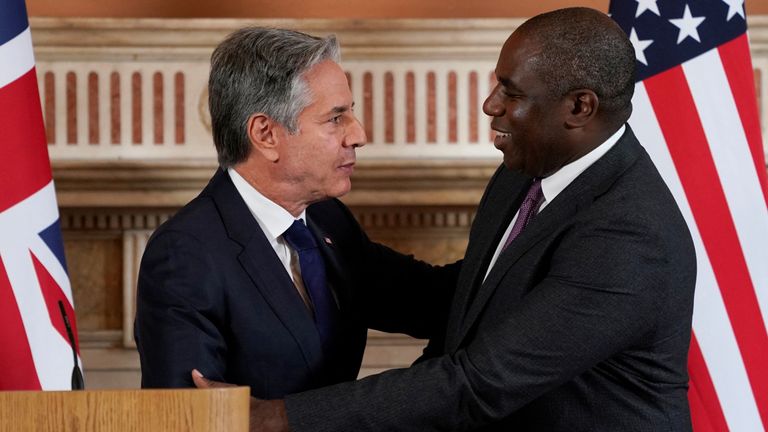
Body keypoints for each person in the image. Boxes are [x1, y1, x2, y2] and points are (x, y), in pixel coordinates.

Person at [195, 7, 697, 431]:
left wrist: (273, 418)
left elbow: (479, 382)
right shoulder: (527, 172)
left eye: (511, 92)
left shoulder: (630, 234)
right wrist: (305, 251)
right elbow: (468, 299)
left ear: (579, 107)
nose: (489, 105)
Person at [136, 27, 459, 399]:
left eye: (350, 113)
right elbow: (188, 417)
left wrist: (529, 227)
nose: (358, 134)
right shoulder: (185, 254)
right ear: (266, 134)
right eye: (336, 118)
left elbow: (432, 299)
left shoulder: (328, 220)